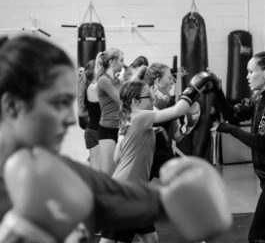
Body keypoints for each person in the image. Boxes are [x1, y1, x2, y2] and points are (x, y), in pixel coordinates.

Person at [0, 35, 232, 243]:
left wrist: (176, 200)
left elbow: (122, 194)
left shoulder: (66, 173)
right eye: (58, 103)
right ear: (12, 106)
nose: (71, 119)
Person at [210, 50, 265, 242]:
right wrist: (218, 91)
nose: (247, 76)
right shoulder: (259, 97)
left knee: (256, 236)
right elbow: (233, 115)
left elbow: (263, 143)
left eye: (251, 72)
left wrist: (230, 129)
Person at [100, 77, 202, 243]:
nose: (153, 99)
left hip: (136, 191)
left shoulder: (127, 120)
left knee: (151, 239)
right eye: (149, 96)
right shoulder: (141, 117)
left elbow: (116, 158)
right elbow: (178, 110)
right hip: (126, 193)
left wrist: (185, 127)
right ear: (135, 101)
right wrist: (195, 87)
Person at [145, 62, 200, 179]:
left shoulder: (170, 103)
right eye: (169, 78)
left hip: (164, 155)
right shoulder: (142, 99)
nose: (172, 82)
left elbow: (177, 136)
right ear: (158, 80)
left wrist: (188, 125)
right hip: (145, 155)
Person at [95, 48, 124, 175]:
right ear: (112, 62)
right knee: (108, 172)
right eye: (121, 60)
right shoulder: (103, 80)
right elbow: (121, 101)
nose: (123, 64)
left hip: (120, 128)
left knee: (120, 171)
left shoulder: (116, 81)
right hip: (108, 129)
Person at [82, 60, 101, 169]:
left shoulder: (87, 86)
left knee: (93, 163)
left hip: (93, 130)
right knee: (96, 168)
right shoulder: (93, 88)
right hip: (95, 132)